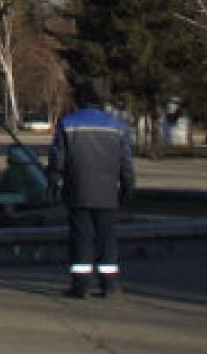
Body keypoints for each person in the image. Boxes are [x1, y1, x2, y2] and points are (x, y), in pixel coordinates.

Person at [47, 79, 136, 300]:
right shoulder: (117, 127)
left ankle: (82, 284)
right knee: (107, 238)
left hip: (77, 189)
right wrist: (127, 186)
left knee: (81, 237)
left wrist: (52, 180)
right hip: (107, 192)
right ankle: (110, 284)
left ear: (81, 98)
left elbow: (58, 158)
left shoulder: (68, 123)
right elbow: (126, 162)